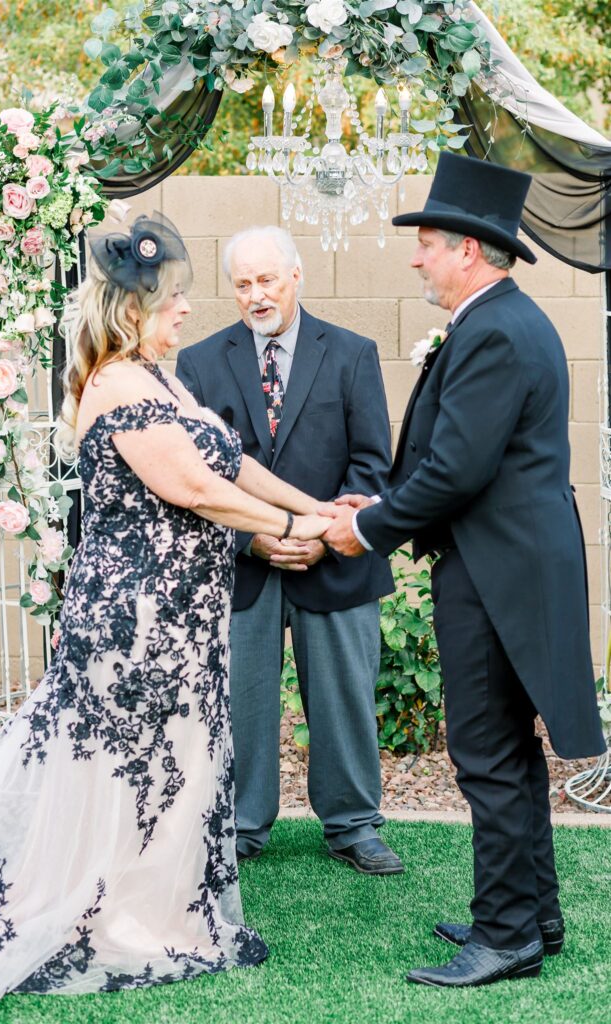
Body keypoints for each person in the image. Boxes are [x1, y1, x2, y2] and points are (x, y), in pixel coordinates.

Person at [0, 214, 329, 1024]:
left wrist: (310, 504)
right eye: (173, 299)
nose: (187, 311)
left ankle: (161, 908)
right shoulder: (112, 382)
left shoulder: (164, 378)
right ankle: (112, 915)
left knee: (178, 760)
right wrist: (295, 531)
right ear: (133, 307)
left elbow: (234, 462)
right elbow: (196, 490)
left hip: (182, 617)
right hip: (133, 618)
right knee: (126, 764)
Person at [322, 153, 606, 987]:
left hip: (496, 578)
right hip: (508, 567)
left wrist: (364, 529)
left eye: (429, 244)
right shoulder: (504, 323)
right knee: (508, 752)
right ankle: (534, 915)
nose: (416, 257)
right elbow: (452, 461)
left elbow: (455, 473)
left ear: (470, 253)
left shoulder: (492, 331)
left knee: (485, 752)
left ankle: (507, 934)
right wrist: (366, 507)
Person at [176, 226, 403, 875]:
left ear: (296, 275)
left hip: (333, 559)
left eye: (267, 280)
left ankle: (353, 824)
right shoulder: (199, 362)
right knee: (239, 699)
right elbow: (197, 476)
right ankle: (242, 824)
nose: (255, 295)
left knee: (343, 698)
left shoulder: (352, 353)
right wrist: (252, 536)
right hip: (242, 562)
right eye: (242, 284)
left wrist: (324, 536)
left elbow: (371, 465)